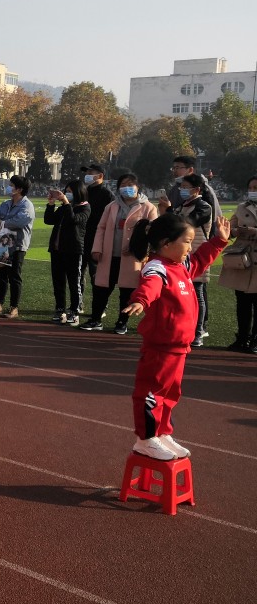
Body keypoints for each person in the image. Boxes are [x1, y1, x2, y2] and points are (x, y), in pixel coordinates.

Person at [123, 213, 230, 460]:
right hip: (160, 347)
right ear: (166, 243)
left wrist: (219, 241)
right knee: (152, 393)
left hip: (179, 346)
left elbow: (200, 260)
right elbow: (150, 285)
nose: (190, 248)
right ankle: (145, 439)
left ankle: (162, 432)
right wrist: (141, 300)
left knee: (171, 393)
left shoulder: (181, 266)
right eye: (187, 242)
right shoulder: (157, 267)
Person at [82, 173, 158, 333]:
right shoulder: (112, 206)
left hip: (132, 257)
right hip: (109, 255)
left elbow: (153, 233)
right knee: (101, 289)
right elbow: (101, 228)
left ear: (137, 187)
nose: (126, 188)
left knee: (127, 291)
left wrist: (137, 248)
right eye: (123, 185)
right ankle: (96, 319)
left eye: (130, 184)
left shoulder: (148, 207)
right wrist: (97, 248)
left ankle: (122, 322)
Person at [158, 173, 213, 346]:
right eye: (181, 187)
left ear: (197, 189)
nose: (182, 190)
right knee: (180, 294)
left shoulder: (203, 207)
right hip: (179, 255)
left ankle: (198, 331)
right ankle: (180, 328)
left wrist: (169, 211)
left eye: (186, 187)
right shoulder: (182, 206)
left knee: (197, 294)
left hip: (196, 254)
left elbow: (186, 224)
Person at [0, 174, 35, 319]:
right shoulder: (6, 203)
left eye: (11, 185)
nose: (8, 187)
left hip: (17, 245)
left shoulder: (27, 205)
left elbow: (19, 222)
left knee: (14, 277)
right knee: (0, 276)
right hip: (2, 242)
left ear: (19, 189)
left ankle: (14, 307)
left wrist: (2, 222)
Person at [44, 179, 90, 325]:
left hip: (74, 250)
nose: (67, 194)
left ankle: (75, 311)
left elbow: (73, 220)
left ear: (78, 192)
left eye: (70, 192)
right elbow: (49, 220)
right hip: (57, 249)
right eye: (66, 191)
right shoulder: (65, 207)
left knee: (74, 282)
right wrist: (51, 204)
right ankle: (60, 310)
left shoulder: (85, 208)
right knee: (58, 282)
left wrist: (66, 203)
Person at [220, 175, 257, 353]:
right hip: (243, 259)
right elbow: (229, 229)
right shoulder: (242, 207)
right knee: (242, 302)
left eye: (256, 188)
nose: (253, 191)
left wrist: (252, 231)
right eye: (250, 188)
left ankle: (255, 340)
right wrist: (232, 231)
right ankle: (242, 338)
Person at [81, 163, 115, 289]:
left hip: (97, 240)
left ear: (100, 176)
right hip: (81, 238)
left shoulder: (107, 195)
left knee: (96, 275)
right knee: (78, 274)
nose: (87, 175)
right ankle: (78, 300)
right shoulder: (83, 192)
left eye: (91, 173)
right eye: (87, 173)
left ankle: (98, 300)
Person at [167, 155, 221, 234]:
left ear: (190, 169)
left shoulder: (205, 189)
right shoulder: (174, 189)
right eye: (173, 168)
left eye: (177, 168)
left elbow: (212, 216)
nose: (175, 171)